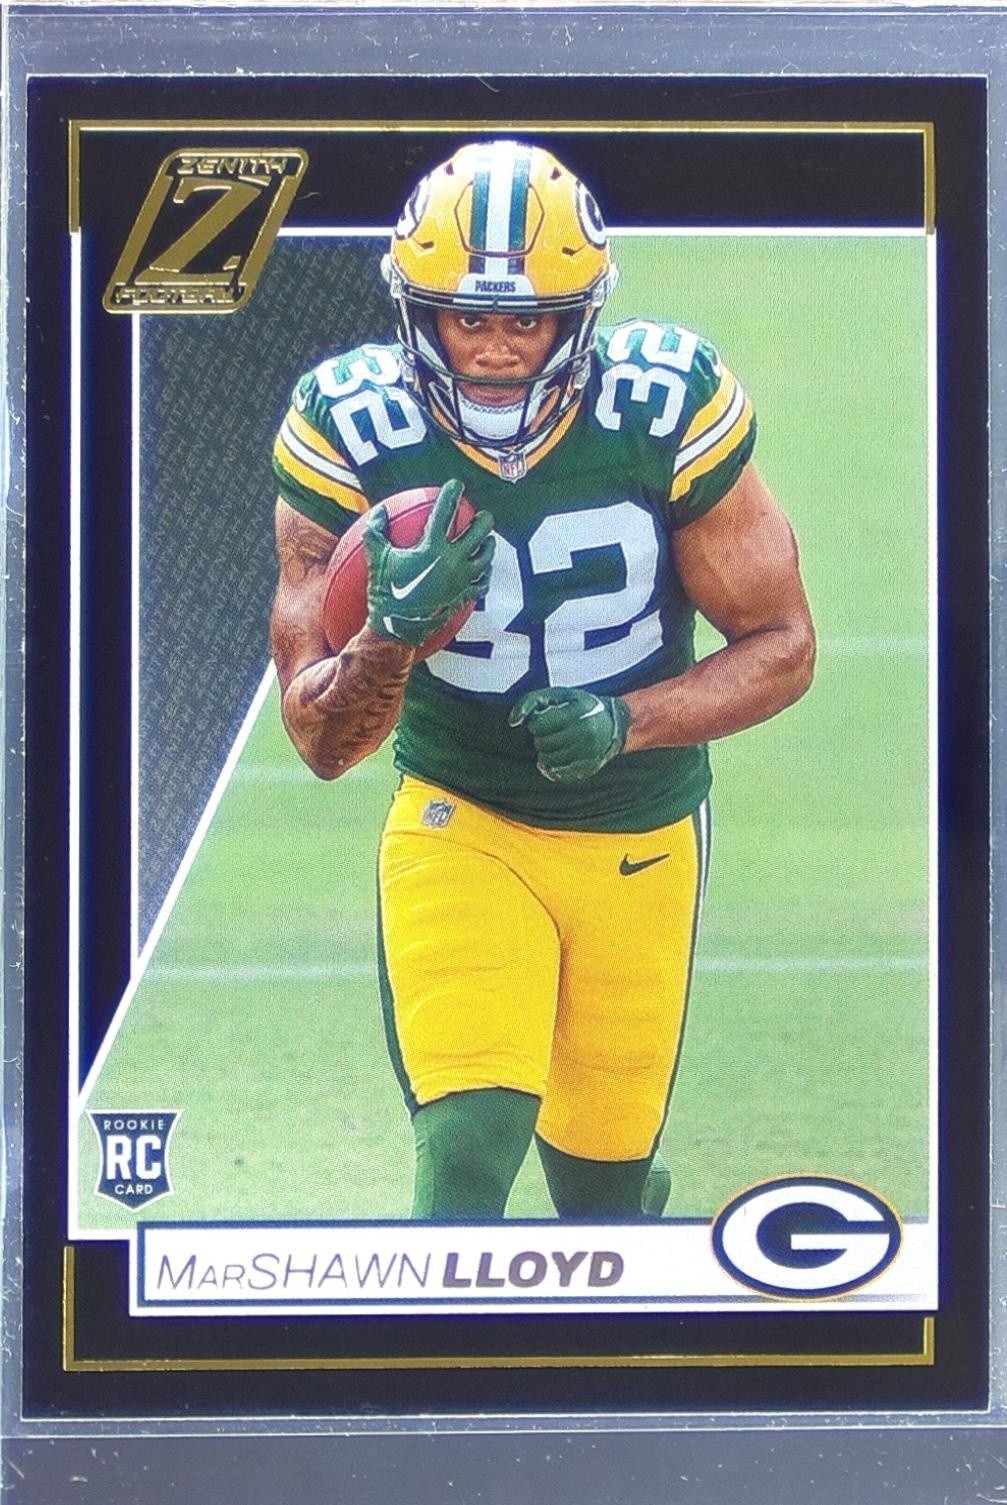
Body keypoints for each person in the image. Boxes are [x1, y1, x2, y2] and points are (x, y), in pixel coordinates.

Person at [269, 139, 815, 1222]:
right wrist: (388, 636)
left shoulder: (663, 405)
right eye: (464, 317)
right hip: (459, 814)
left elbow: (783, 643)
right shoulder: (351, 422)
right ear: (416, 312)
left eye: (526, 321)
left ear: (580, 316)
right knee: (468, 1147)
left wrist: (625, 719)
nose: (494, 349)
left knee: (599, 1195)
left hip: (639, 828)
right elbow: (319, 742)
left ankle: (619, 1236)